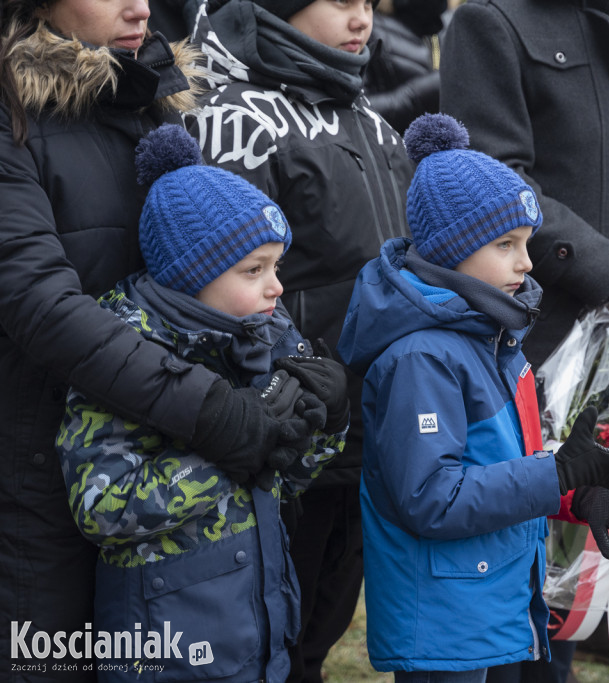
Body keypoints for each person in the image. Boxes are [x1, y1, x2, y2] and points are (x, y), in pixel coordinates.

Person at [0, 2, 303, 678]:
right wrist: (207, 408)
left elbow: (222, 266)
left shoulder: (156, 103)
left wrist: (298, 369)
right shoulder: (11, 114)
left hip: (167, 466)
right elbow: (37, 301)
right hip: (38, 489)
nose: (139, 5)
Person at [337, 113, 609, 681]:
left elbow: (500, 468)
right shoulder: (421, 358)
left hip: (492, 602)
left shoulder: (493, 337)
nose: (527, 261)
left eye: (527, 242)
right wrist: (554, 476)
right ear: (450, 249)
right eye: (506, 244)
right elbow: (431, 498)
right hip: (446, 624)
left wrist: (573, 493)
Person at [441, 1, 609, 678]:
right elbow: (493, 177)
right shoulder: (492, 20)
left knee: (581, 538)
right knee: (517, 549)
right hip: (532, 331)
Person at [56, 124, 349, 683]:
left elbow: (286, 479)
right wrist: (226, 455)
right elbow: (102, 506)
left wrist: (326, 422)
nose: (276, 287)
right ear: (194, 276)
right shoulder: (129, 358)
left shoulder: (266, 338)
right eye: (253, 270)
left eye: (276, 267)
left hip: (256, 631)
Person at [184, 1, 415, 680]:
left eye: (369, 3)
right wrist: (291, 393)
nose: (361, 18)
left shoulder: (370, 118)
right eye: (341, 1)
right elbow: (224, 284)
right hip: (291, 432)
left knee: (323, 624)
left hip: (373, 423)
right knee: (274, 633)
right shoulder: (237, 115)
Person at [363, 0, 449, 133]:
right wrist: (416, 96)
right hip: (394, 146)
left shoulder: (452, 24)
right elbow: (353, 112)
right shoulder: (365, 28)